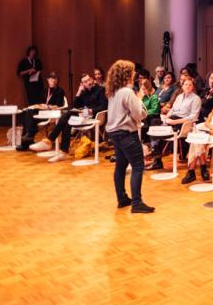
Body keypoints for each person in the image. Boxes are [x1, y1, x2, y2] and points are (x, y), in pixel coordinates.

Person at [105, 60, 153, 213]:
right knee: (138, 166)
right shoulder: (127, 92)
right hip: (126, 134)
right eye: (132, 72)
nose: (135, 74)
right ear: (127, 75)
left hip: (114, 133)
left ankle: (122, 198)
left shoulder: (113, 92)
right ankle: (137, 203)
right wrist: (140, 98)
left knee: (120, 166)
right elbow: (140, 114)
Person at [29, 72, 107, 163]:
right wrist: (79, 92)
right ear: (82, 84)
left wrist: (90, 111)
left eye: (89, 79)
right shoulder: (84, 92)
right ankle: (63, 152)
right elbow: (73, 106)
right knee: (67, 118)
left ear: (92, 79)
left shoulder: (100, 90)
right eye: (85, 82)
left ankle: (49, 141)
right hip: (83, 115)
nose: (88, 82)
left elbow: (104, 106)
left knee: (67, 115)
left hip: (95, 116)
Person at [16, 72, 66, 150]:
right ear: (47, 80)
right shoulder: (45, 90)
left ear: (57, 80)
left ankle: (27, 139)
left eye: (54, 78)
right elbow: (40, 102)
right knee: (27, 111)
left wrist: (48, 106)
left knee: (32, 116)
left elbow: (59, 105)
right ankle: (28, 137)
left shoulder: (60, 91)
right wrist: (39, 106)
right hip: (42, 111)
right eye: (50, 79)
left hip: (52, 113)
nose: (52, 80)